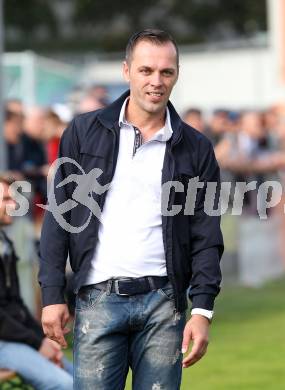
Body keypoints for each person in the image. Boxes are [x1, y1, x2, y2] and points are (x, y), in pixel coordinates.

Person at [39, 29, 224, 389]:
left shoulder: (196, 148)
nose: (156, 81)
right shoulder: (82, 132)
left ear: (176, 75)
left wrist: (202, 309)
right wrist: (51, 295)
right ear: (127, 71)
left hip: (164, 305)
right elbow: (59, 219)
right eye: (146, 71)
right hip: (96, 299)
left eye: (166, 72)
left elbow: (206, 235)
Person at [0, 175, 73, 390]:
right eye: (6, 199)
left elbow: (16, 307)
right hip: (4, 342)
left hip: (11, 338)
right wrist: (37, 343)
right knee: (65, 385)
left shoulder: (5, 243)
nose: (14, 205)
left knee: (82, 381)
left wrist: (43, 339)